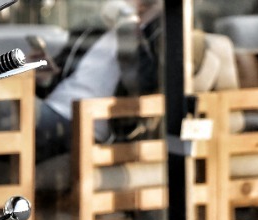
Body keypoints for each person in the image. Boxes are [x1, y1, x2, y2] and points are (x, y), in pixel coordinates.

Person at [32, 0, 164, 162]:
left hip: (82, 124)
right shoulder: (94, 30)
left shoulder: (157, 36)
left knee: (7, 108)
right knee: (1, 101)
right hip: (53, 111)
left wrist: (129, 25)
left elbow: (142, 85)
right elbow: (62, 78)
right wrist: (46, 79)